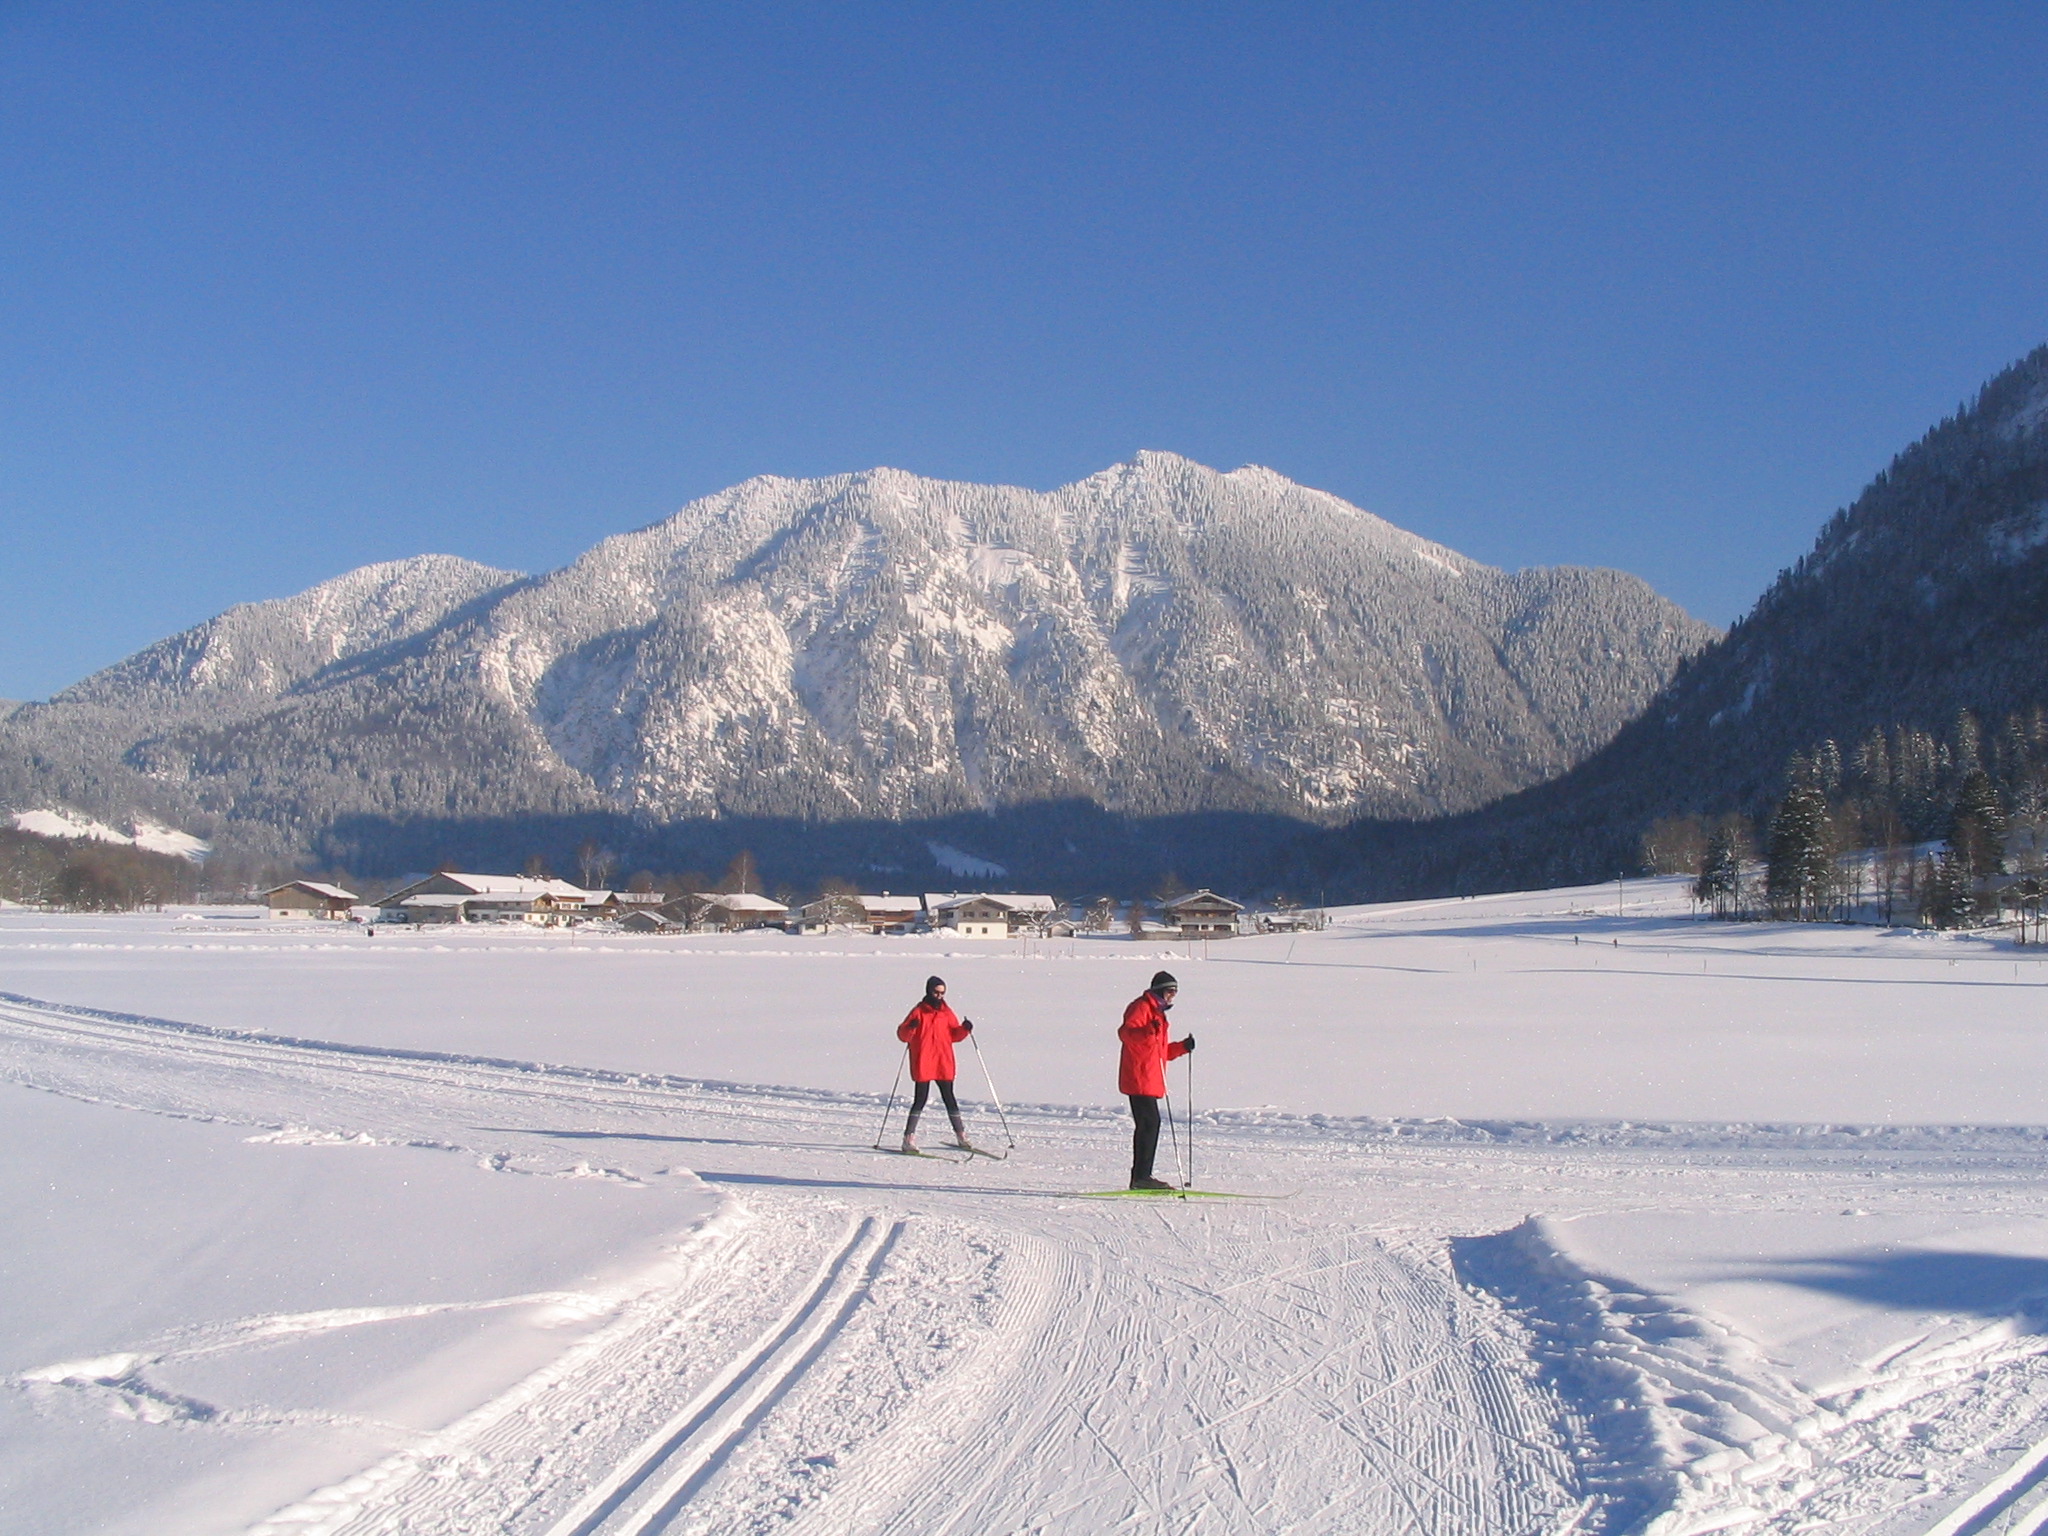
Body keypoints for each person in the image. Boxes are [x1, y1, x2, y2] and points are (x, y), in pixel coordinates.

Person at [1118, 970, 1194, 1189]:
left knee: (1150, 1125)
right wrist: (1148, 1031)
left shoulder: (1158, 1014)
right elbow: (1126, 1034)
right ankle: (1141, 1178)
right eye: (1170, 992)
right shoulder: (1141, 1007)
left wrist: (1182, 1047)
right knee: (1149, 1125)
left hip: (1151, 1078)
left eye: (1175, 993)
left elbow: (1160, 1051)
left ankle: (1142, 1177)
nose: (1172, 997)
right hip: (1138, 1076)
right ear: (1160, 991)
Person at [897, 975, 974, 1153]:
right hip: (924, 1060)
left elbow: (954, 1035)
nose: (939, 996)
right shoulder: (918, 1011)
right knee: (920, 1100)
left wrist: (965, 1029)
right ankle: (908, 1138)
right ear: (929, 991)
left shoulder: (946, 1012)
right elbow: (903, 1035)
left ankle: (961, 1135)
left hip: (942, 1061)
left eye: (942, 993)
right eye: (936, 992)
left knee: (949, 1098)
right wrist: (910, 1028)